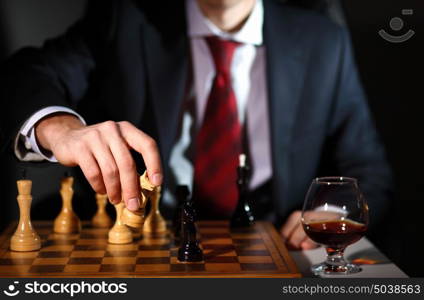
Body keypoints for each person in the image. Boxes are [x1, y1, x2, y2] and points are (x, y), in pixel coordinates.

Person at [0, 0, 392, 250]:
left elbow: (369, 172)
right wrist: (58, 127)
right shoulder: (124, 17)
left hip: (275, 241)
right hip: (146, 238)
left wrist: (328, 211)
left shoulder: (325, 41)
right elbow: (26, 73)